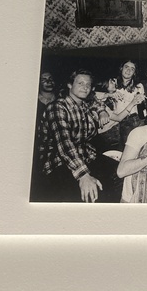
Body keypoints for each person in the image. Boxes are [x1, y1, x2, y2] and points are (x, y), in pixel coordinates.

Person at [34, 70, 105, 202]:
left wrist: (102, 111)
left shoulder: (84, 106)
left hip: (83, 155)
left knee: (116, 173)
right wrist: (84, 176)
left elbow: (97, 102)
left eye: (88, 84)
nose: (85, 87)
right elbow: (65, 145)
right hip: (57, 162)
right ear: (69, 85)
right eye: (80, 83)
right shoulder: (57, 107)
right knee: (85, 195)